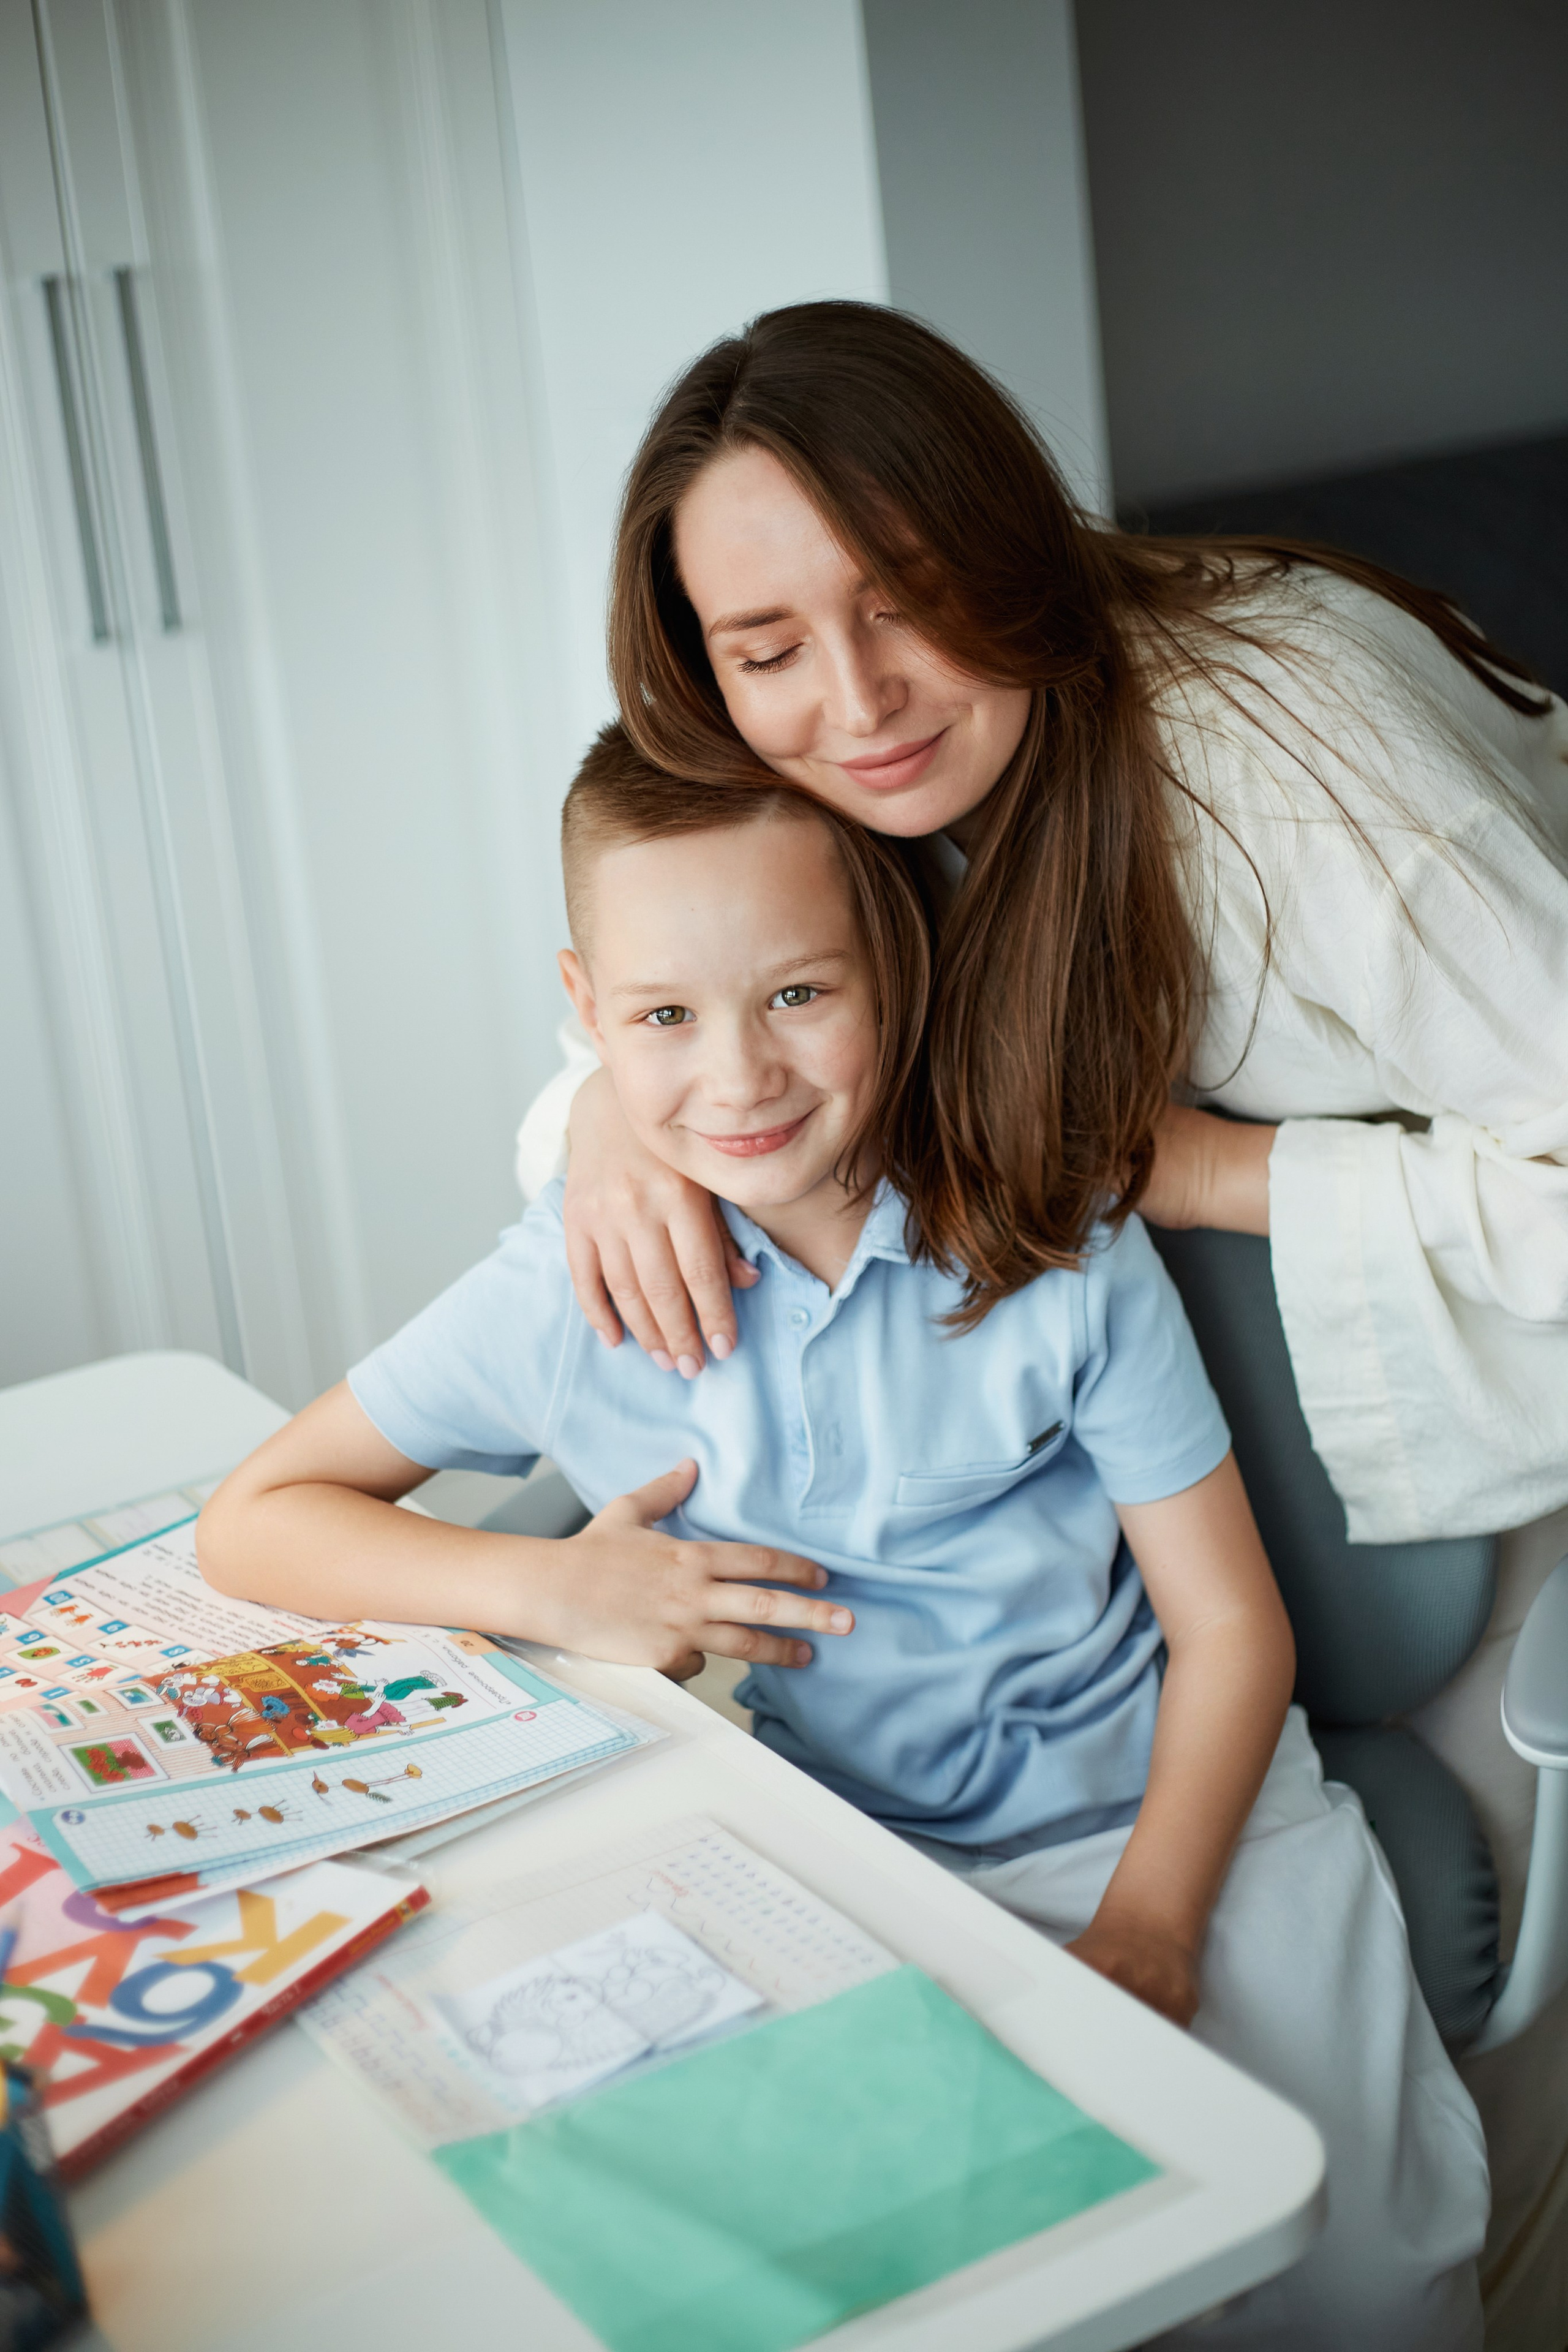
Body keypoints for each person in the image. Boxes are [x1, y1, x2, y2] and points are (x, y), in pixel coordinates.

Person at [201, 731, 1488, 2351]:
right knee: (986, 2287)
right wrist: (553, 1585)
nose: (739, 1077)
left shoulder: (1055, 1233)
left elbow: (1231, 1629)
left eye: (799, 995)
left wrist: (1155, 1925)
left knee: (1358, 2276)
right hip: (859, 1859)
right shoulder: (567, 1290)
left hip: (1187, 1820)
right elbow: (254, 1519)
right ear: (587, 1010)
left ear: (899, 971)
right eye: (664, 1018)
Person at [518, 298, 1568, 2123]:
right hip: (1141, 1526)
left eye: (907, 600)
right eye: (768, 648)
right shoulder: (821, 780)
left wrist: (1203, 1169)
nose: (858, 703)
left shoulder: (1301, 771)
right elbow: (707, 1009)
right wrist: (609, 1111)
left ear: (1006, 542)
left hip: (1490, 1415)